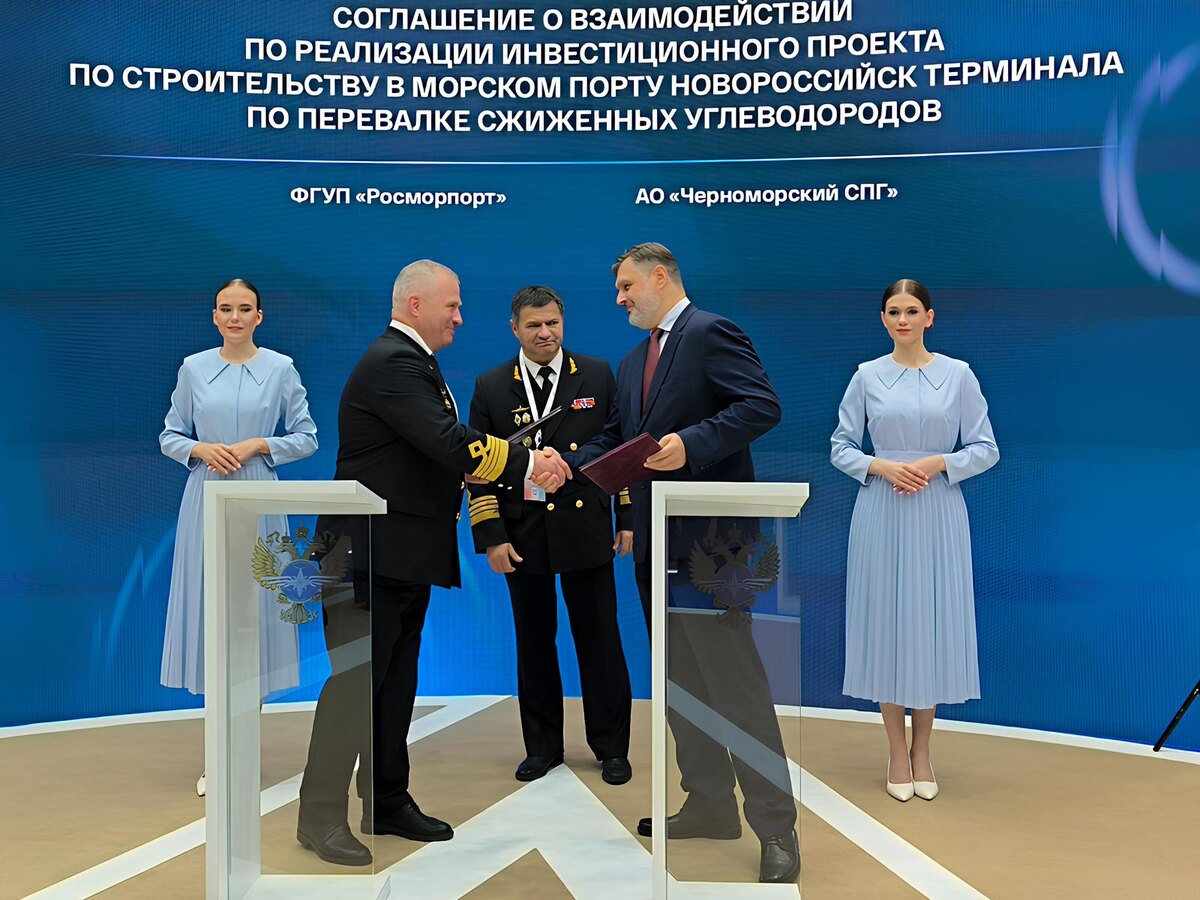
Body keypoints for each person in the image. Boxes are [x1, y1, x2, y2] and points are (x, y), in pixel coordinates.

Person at [296, 260, 571, 867]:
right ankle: (318, 817)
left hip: (400, 555)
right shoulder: (394, 362)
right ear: (416, 305)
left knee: (394, 686)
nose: (460, 316)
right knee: (354, 688)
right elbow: (447, 441)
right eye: (453, 305)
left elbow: (439, 445)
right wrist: (528, 462)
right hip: (367, 557)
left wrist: (505, 458)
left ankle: (386, 800)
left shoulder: (413, 362)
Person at [566, 243, 799, 884]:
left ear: (660, 276)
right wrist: (568, 463)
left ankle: (775, 828)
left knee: (735, 684)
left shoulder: (710, 332)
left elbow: (760, 405)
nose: (619, 299)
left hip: (714, 549)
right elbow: (616, 438)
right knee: (680, 683)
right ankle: (709, 804)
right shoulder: (633, 360)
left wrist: (690, 445)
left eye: (626, 286)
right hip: (656, 544)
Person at [830, 278, 998, 802]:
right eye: (893, 311)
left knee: (929, 623)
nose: (902, 320)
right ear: (883, 319)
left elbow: (985, 447)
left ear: (929, 317)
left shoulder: (959, 375)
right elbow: (841, 446)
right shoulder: (866, 376)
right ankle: (895, 752)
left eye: (911, 311)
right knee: (887, 622)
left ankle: (922, 751)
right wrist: (881, 466)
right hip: (881, 509)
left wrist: (937, 463)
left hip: (937, 508)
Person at [467, 285, 634, 786]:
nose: (545, 333)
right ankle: (542, 748)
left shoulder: (597, 374)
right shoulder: (491, 385)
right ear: (514, 328)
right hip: (523, 532)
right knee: (534, 642)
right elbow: (477, 466)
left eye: (553, 323)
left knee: (601, 641)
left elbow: (618, 444)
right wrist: (491, 535)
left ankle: (612, 748)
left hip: (586, 525)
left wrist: (626, 518)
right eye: (534, 325)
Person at [159, 278, 318, 797]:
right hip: (205, 495)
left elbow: (307, 437)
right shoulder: (193, 368)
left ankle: (244, 748)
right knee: (213, 616)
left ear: (258, 316)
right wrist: (200, 450)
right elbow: (169, 435)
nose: (234, 317)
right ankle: (217, 754)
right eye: (225, 308)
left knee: (257, 616)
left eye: (244, 308)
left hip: (258, 497)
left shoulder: (281, 368)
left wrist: (259, 445)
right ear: (214, 316)